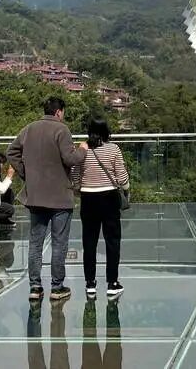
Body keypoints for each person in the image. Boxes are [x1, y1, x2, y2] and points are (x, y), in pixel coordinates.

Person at [7, 96, 87, 302]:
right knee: (59, 243)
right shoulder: (62, 130)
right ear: (59, 111)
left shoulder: (29, 128)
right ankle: (57, 287)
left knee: (35, 243)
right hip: (60, 196)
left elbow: (11, 151)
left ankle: (35, 286)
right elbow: (70, 159)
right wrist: (82, 149)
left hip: (35, 195)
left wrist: (26, 173)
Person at [72, 117, 129, 298]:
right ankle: (112, 283)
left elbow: (75, 173)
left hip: (88, 198)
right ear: (106, 131)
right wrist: (126, 189)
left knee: (89, 241)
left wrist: (79, 189)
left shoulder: (83, 149)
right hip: (109, 197)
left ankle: (90, 283)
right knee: (112, 241)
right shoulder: (113, 149)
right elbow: (122, 176)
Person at [0, 153, 16, 229]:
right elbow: (1, 190)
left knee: (9, 192)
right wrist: (9, 176)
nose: (2, 166)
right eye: (1, 163)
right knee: (10, 210)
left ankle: (4, 221)